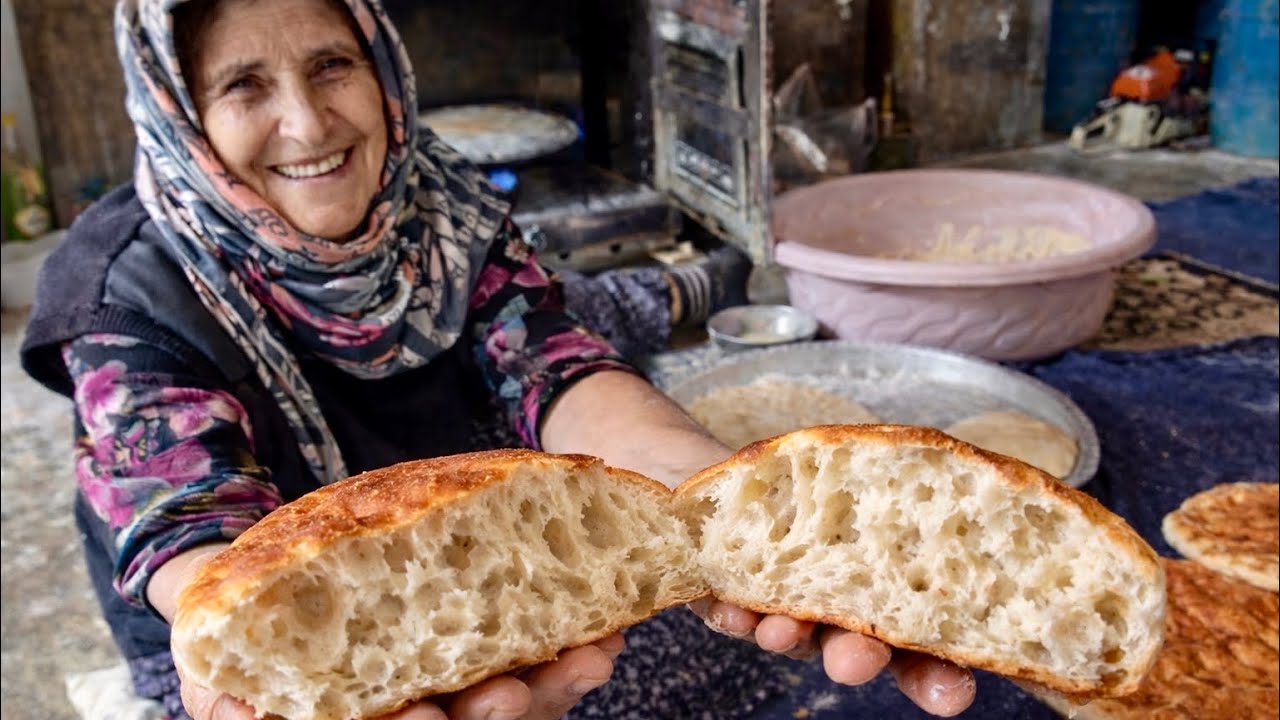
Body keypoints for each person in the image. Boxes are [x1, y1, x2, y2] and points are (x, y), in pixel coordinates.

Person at [19, 0, 978, 718]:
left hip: (438, 504)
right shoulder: (124, 297)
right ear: (177, 109)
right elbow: (189, 521)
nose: (308, 125)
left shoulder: (438, 202)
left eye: (331, 65)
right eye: (244, 87)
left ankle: (693, 286)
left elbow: (549, 360)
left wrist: (709, 495)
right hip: (247, 588)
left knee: (693, 638)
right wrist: (270, 644)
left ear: (381, 66)